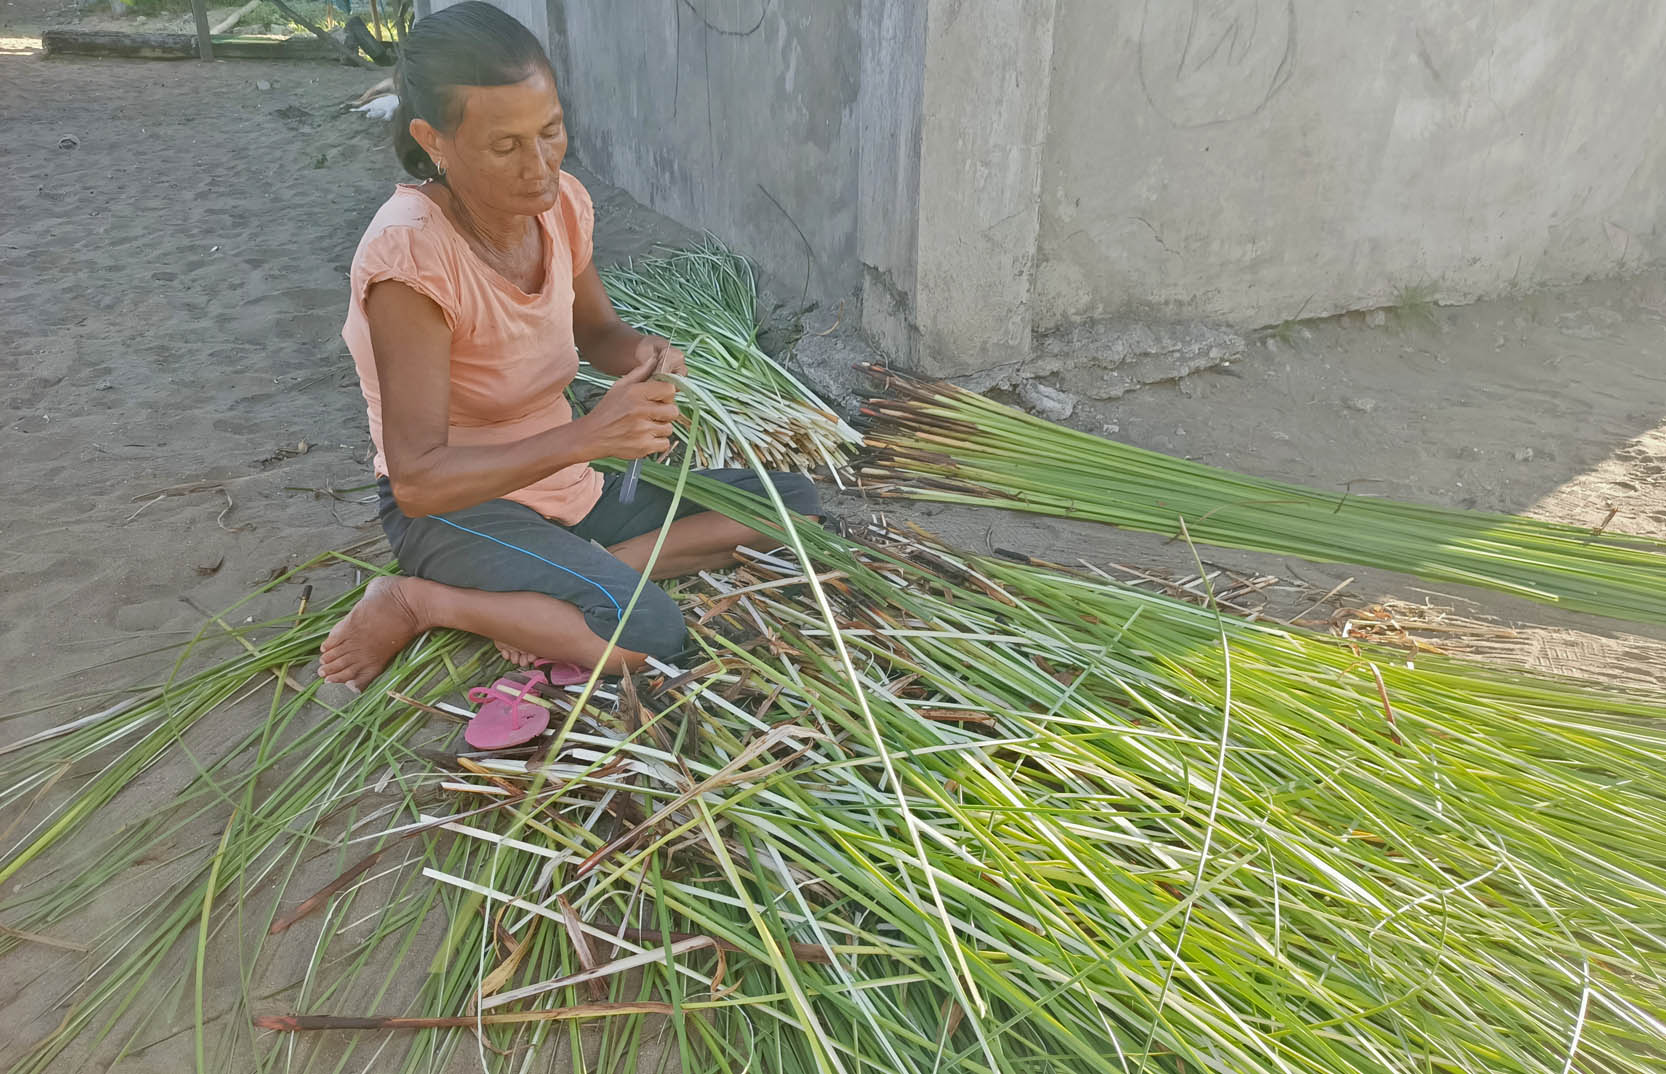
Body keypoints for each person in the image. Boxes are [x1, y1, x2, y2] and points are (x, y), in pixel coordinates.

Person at [319, 2, 818, 691]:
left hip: (567, 486)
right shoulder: (411, 261)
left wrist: (645, 352)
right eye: (505, 147)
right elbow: (418, 481)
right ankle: (421, 600)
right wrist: (588, 437)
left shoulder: (558, 206)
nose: (540, 166)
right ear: (433, 139)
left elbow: (598, 333)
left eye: (551, 131)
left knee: (793, 507)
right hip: (460, 512)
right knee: (651, 636)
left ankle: (556, 589)